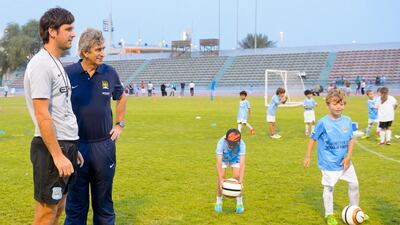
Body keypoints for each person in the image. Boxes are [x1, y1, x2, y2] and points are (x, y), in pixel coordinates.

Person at [23, 7, 84, 225]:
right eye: (68, 29)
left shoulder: (56, 62)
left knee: (58, 209)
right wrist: (58, 155)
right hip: (50, 150)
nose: (73, 34)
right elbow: (42, 114)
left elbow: (62, 110)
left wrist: (71, 148)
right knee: (46, 213)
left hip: (65, 145)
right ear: (52, 31)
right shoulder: (41, 64)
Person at [64, 28, 126, 225]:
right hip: (77, 146)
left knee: (104, 204)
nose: (102, 53)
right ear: (85, 52)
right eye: (98, 49)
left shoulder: (109, 72)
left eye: (103, 48)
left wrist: (120, 124)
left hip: (104, 146)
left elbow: (121, 96)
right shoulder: (68, 73)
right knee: (76, 206)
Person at [303, 90, 369, 225]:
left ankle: (355, 210)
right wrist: (308, 156)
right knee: (329, 188)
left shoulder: (347, 120)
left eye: (342, 104)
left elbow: (351, 139)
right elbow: (312, 139)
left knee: (354, 184)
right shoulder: (322, 122)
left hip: (344, 161)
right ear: (328, 104)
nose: (339, 107)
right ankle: (329, 215)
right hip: (328, 163)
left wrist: (348, 157)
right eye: (335, 104)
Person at [214, 129, 246, 214]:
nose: (232, 146)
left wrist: (241, 181)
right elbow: (218, 163)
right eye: (230, 144)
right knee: (222, 176)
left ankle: (239, 203)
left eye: (234, 144)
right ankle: (219, 201)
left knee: (237, 176)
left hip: (235, 158)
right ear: (226, 140)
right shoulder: (221, 143)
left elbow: (242, 164)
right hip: (224, 159)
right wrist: (221, 179)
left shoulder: (242, 144)